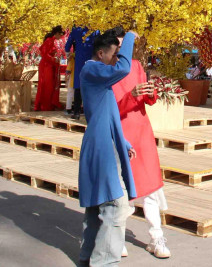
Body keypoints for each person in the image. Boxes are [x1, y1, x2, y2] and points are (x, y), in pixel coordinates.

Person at [78, 30, 138, 266]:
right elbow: (123, 69)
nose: (116, 59)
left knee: (97, 206)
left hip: (102, 142)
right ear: (100, 53)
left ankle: (87, 257)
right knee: (115, 205)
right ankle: (103, 262)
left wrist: (123, 143)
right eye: (114, 54)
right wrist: (129, 38)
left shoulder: (97, 76)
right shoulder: (91, 69)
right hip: (100, 147)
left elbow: (105, 115)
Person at [111, 32, 171, 259]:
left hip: (143, 132)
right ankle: (118, 239)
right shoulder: (106, 70)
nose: (122, 49)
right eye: (119, 44)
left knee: (151, 186)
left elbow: (148, 98)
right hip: (123, 133)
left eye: (124, 44)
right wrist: (131, 95)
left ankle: (157, 239)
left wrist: (150, 91)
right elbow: (110, 110)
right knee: (122, 186)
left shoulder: (136, 65)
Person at [65, 26, 98, 120]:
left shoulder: (76, 29)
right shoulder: (96, 27)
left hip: (79, 60)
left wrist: (68, 54)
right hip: (92, 58)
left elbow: (67, 45)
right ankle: (91, 112)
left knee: (78, 85)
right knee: (91, 84)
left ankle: (76, 112)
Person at [34, 25, 64, 111]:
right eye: (60, 34)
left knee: (50, 85)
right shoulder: (49, 41)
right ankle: (45, 105)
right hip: (46, 65)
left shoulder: (52, 41)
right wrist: (53, 59)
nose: (61, 37)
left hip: (49, 64)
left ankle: (50, 104)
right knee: (47, 85)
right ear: (57, 33)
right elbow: (43, 53)